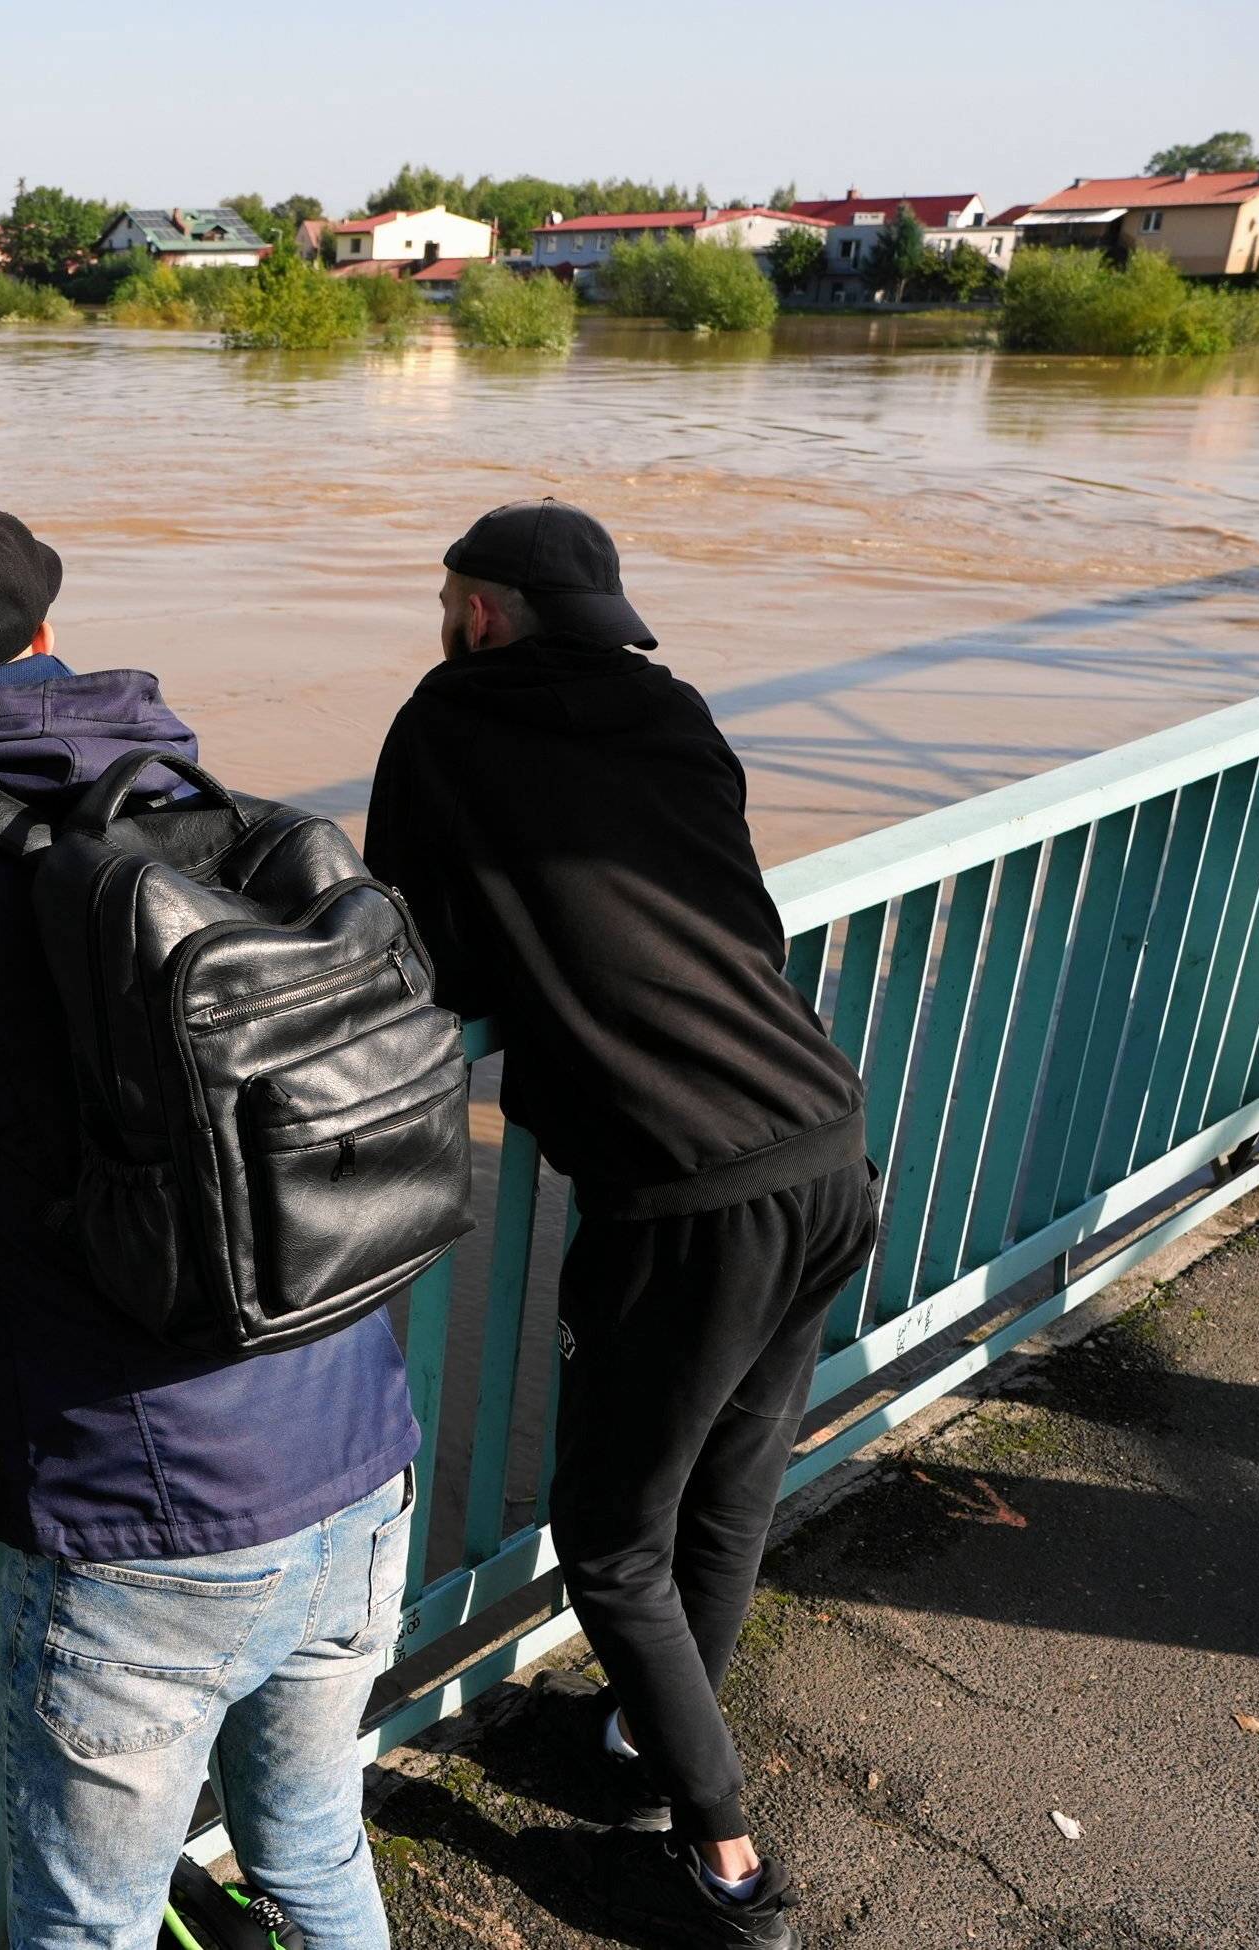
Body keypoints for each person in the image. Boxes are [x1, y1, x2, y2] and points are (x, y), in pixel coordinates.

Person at [0, 495, 421, 1950]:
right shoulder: (188, 792)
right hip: (358, 1446)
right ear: (54, 642)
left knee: (87, 1924)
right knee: (314, 1847)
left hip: (147, 1514)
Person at [360, 501, 877, 1950]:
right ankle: (642, 1764)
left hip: (683, 1198)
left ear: (479, 613)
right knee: (724, 1495)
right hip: (827, 1141)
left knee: (609, 1538)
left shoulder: (447, 726)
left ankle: (728, 1870)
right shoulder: (670, 706)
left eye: (445, 598)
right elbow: (745, 923)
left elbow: (419, 950)